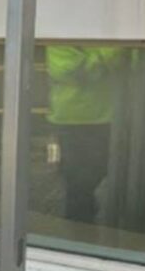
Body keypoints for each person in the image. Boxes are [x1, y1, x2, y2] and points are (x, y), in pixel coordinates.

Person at [46, 46, 125, 224]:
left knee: (100, 177)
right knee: (79, 184)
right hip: (76, 120)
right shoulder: (62, 36)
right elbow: (73, 72)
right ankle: (79, 229)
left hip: (112, 117)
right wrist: (115, 50)